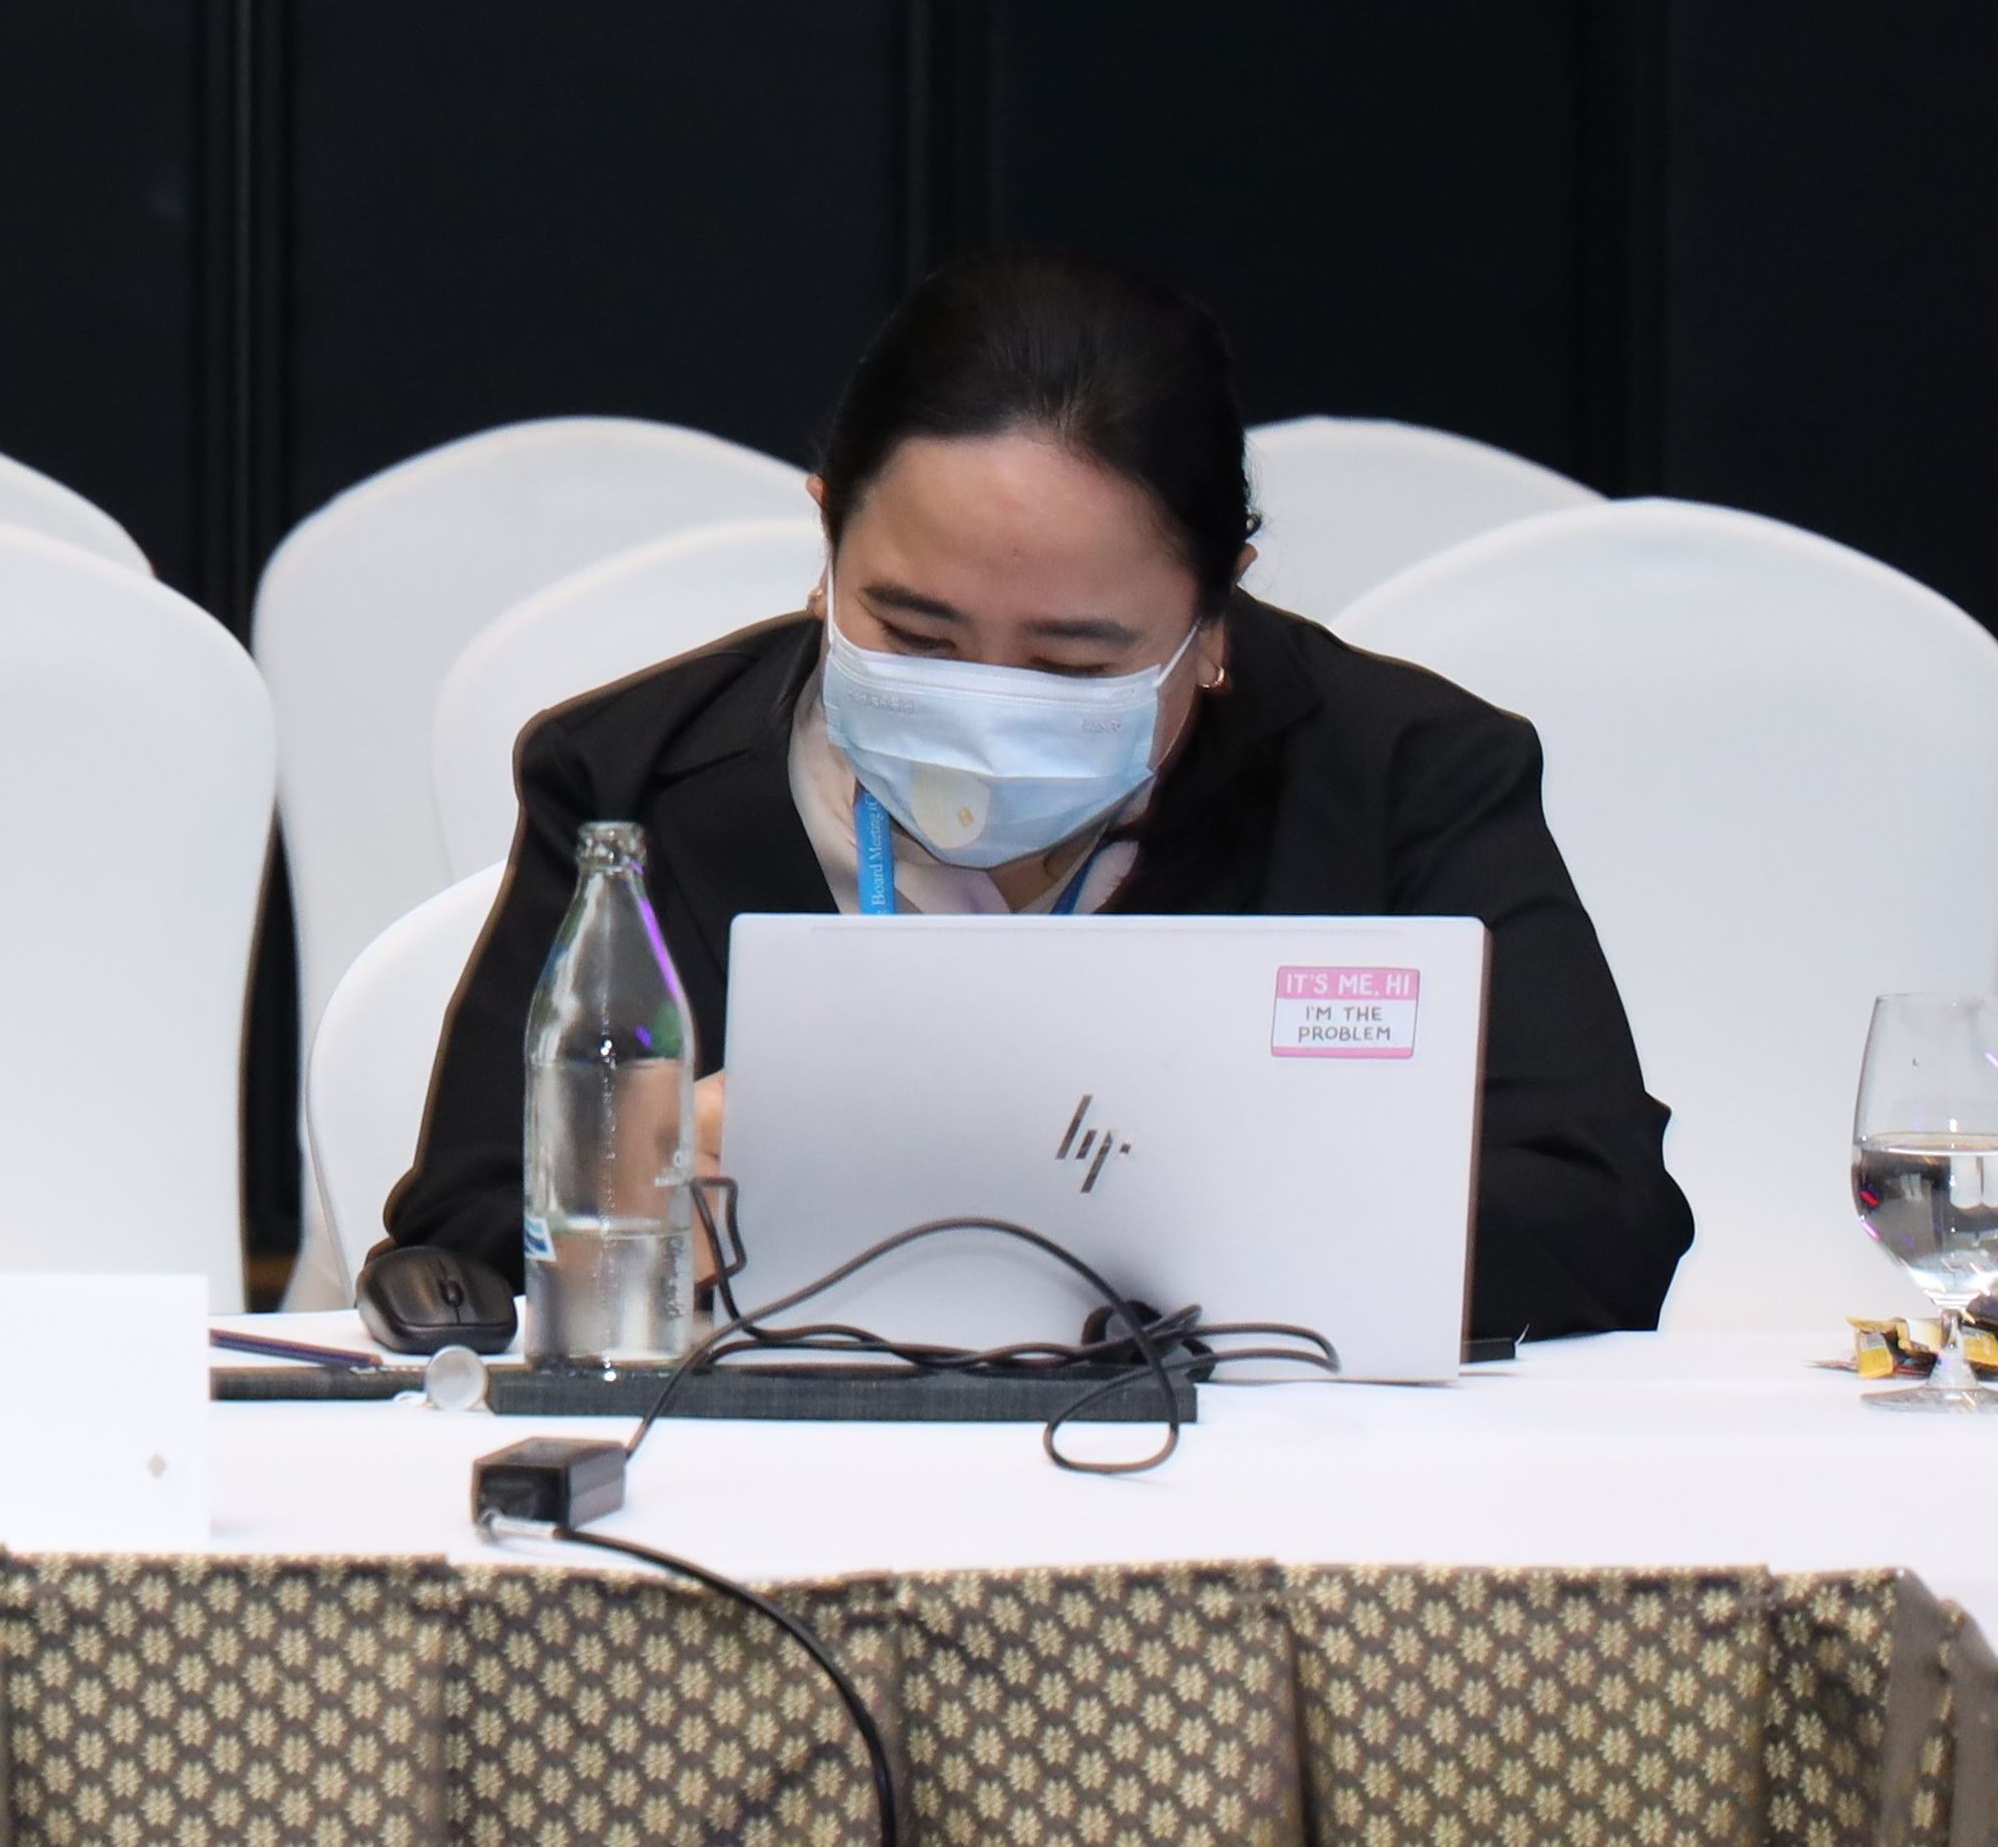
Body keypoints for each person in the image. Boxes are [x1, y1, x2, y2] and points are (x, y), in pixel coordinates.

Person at [379, 249, 1690, 1344]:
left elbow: (1600, 1219)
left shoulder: (1404, 775)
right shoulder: (632, 777)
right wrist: (639, 1189)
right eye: (914, 634)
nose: (985, 704)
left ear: (1214, 613)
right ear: (827, 536)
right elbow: (463, 1224)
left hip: (1248, 1487)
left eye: (1073, 663)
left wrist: (1161, 1206)